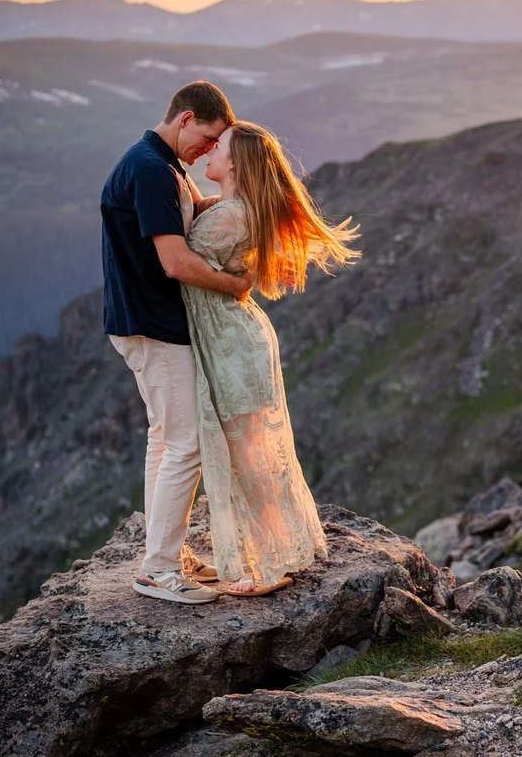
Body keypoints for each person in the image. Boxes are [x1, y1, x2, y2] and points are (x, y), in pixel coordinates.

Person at [183, 121, 360, 595]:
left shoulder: (229, 216)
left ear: (236, 162)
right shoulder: (233, 209)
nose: (209, 154)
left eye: (217, 147)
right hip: (235, 339)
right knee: (253, 454)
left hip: (230, 344)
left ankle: (272, 565)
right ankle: (269, 553)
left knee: (250, 459)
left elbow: (179, 266)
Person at [102, 81, 251, 604]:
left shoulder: (160, 167)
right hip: (155, 325)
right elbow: (174, 261)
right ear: (185, 118)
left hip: (142, 321)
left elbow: (180, 222)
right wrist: (237, 285)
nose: (210, 150)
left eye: (217, 147)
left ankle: (166, 553)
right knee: (184, 443)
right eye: (208, 138)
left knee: (165, 439)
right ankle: (158, 571)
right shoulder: (150, 170)